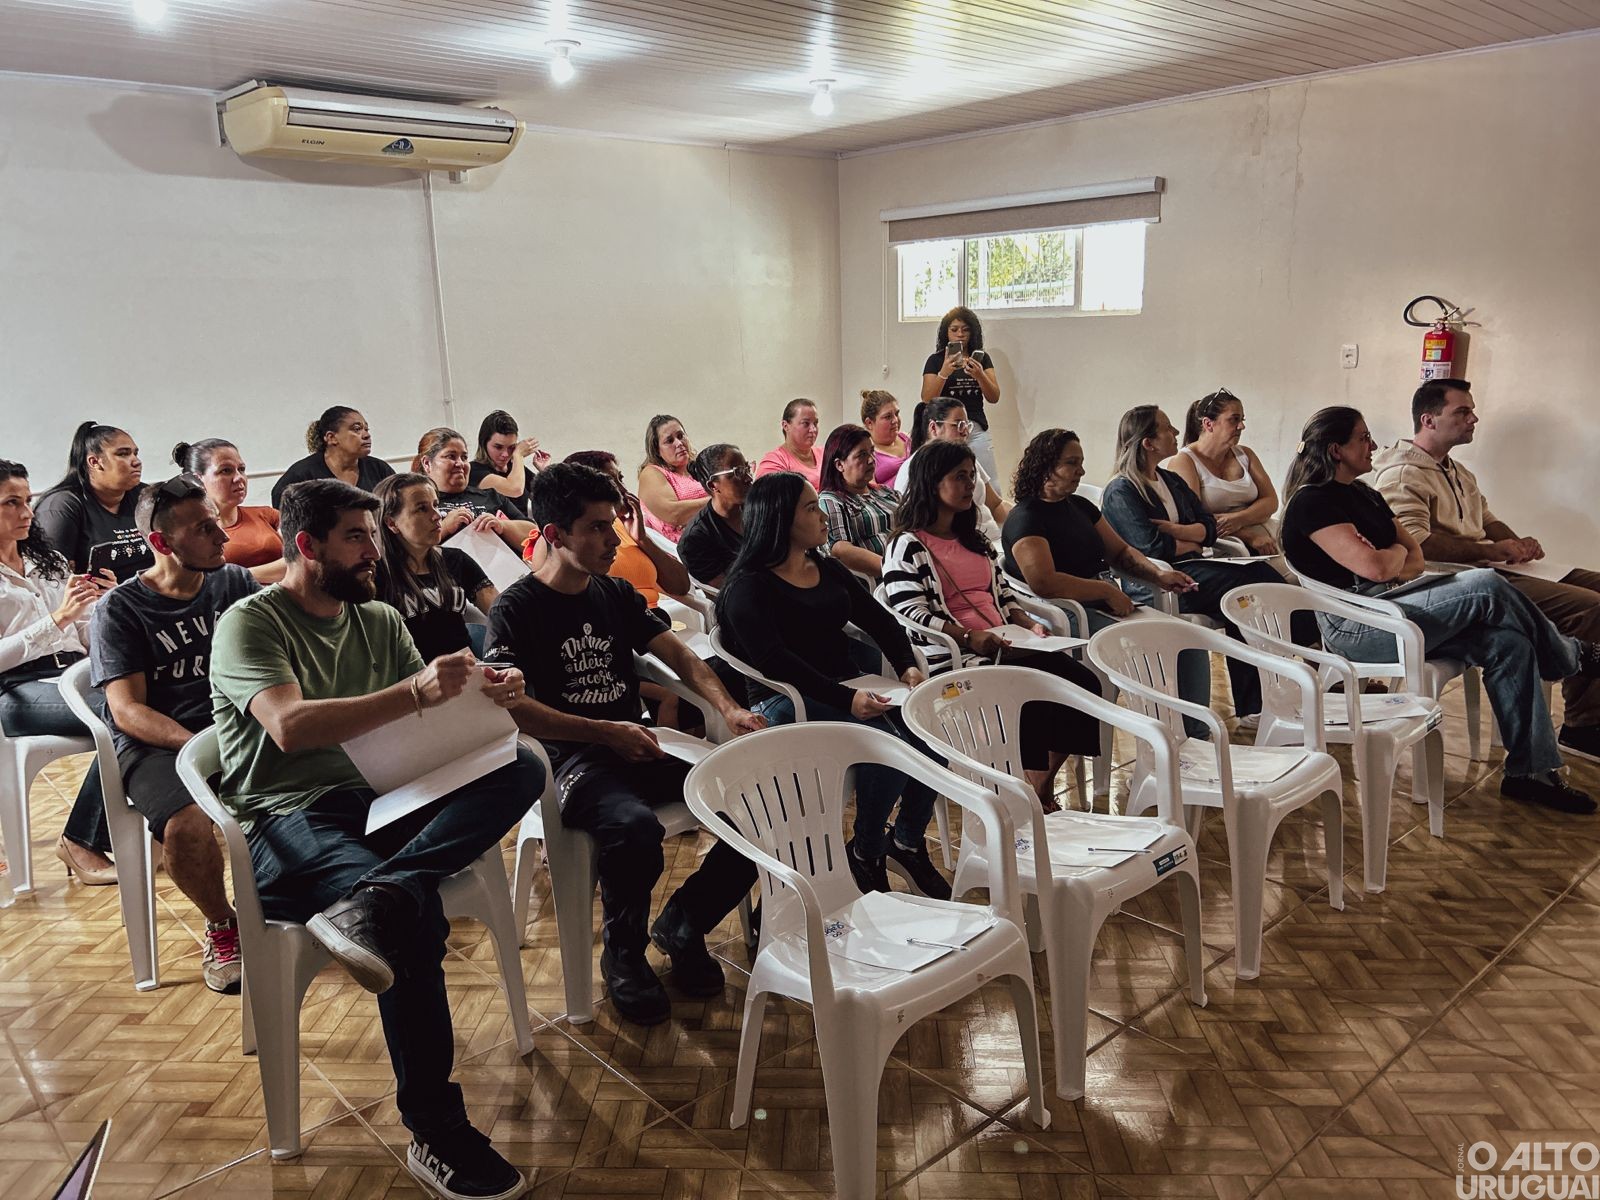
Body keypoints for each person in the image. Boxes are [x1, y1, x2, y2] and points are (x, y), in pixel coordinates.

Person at [211, 478, 540, 1197]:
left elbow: (421, 727)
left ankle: (382, 889)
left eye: (374, 535)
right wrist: (415, 692)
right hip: (287, 818)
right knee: (416, 921)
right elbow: (290, 729)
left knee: (524, 765)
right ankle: (436, 1131)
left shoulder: (379, 619)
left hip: (380, 801)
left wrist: (491, 695)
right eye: (357, 538)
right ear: (307, 546)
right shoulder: (251, 621)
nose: (373, 552)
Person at [485, 463, 766, 1027]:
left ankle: (684, 922)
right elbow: (512, 712)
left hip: (634, 743)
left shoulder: (613, 594)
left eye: (612, 524)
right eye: (596, 528)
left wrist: (729, 707)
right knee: (633, 829)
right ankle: (624, 956)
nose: (613, 540)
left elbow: (682, 655)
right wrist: (604, 731)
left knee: (756, 802)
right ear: (557, 535)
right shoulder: (515, 609)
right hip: (573, 761)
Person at [1281, 406, 1600, 814]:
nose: (1374, 445)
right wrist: (1389, 556)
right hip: (1357, 627)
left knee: (1509, 642)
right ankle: (1571, 656)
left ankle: (1530, 773)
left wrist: (1388, 554)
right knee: (1486, 583)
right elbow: (1375, 567)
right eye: (1363, 438)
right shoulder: (1313, 503)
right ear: (1336, 450)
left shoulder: (1365, 494)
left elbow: (1412, 555)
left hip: (1393, 607)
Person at [715, 472, 947, 897]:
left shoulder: (825, 568)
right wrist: (848, 698)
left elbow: (880, 621)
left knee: (932, 743)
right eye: (809, 508)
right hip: (783, 702)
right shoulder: (748, 587)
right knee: (885, 750)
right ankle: (866, 851)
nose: (822, 516)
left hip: (843, 689)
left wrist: (906, 666)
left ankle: (907, 841)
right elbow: (776, 663)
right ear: (781, 519)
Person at [89, 475, 259, 991]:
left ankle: (302, 897)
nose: (222, 537)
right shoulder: (120, 610)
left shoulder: (234, 583)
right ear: (161, 543)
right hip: (160, 744)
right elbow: (127, 711)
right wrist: (197, 749)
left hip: (234, 726)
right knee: (187, 828)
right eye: (205, 529)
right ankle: (222, 923)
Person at [1373, 378, 1600, 763]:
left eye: (1471, 410)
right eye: (1462, 411)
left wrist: (1518, 545)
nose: (1474, 418)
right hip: (1456, 582)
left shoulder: (1456, 470)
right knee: (1591, 607)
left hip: (1488, 566)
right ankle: (1582, 726)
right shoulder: (1401, 474)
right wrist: (1492, 550)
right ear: (1428, 420)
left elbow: (1487, 519)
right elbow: (1417, 543)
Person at [881, 441, 1105, 810]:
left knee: (1083, 684)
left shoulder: (973, 538)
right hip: (954, 652)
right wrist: (969, 636)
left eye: (972, 476)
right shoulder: (908, 545)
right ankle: (1028, 791)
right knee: (1029, 688)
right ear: (932, 483)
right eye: (960, 477)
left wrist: (1026, 623)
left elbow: (1002, 594)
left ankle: (1036, 784)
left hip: (1005, 641)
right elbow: (912, 613)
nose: (971, 485)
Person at [1101, 405, 1299, 728]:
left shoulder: (1168, 480)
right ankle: (1302, 652)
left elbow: (1208, 524)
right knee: (1252, 587)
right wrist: (1194, 538)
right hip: (1163, 581)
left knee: (1255, 587)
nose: (1177, 433)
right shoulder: (1121, 490)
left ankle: (1256, 702)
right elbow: (1152, 547)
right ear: (1148, 443)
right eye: (1167, 429)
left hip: (1195, 565)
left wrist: (1182, 533)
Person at [0, 459, 115, 885]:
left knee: (156, 700)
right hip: (18, 690)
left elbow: (84, 631)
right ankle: (80, 840)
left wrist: (107, 605)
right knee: (124, 713)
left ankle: (138, 827)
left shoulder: (45, 560)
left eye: (27, 500)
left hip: (75, 672)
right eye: (11, 502)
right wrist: (58, 619)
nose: (27, 512)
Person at [1003, 428, 1197, 629]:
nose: (1081, 471)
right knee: (1151, 642)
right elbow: (1044, 582)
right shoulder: (1025, 518)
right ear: (1044, 467)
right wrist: (1105, 591)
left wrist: (1158, 575)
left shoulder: (1080, 505)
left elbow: (1121, 552)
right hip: (1068, 612)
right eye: (1071, 463)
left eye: (1081, 463)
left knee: (1187, 639)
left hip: (1105, 602)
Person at [521, 451, 691, 608]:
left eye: (620, 478)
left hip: (651, 619)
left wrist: (643, 539)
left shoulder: (629, 526)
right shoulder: (559, 541)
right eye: (611, 482)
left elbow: (681, 586)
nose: (622, 489)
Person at [373, 474, 497, 662]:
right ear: (392, 523)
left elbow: (501, 614)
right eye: (421, 509)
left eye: (436, 505)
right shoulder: (374, 574)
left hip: (467, 672)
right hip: (412, 680)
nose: (437, 515)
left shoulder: (456, 560)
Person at [1163, 389, 1283, 556]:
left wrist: (1238, 519)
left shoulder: (1246, 454)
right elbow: (1195, 519)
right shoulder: (1184, 461)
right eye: (1234, 419)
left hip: (1267, 533)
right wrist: (1249, 536)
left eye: (1242, 419)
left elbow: (1271, 501)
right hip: (1226, 544)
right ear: (1208, 424)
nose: (1241, 426)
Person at [33, 421, 151, 582]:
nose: (136, 461)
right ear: (95, 462)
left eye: (135, 453)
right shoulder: (62, 506)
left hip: (149, 598)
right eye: (123, 454)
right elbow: (51, 581)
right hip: (95, 602)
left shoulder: (145, 496)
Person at [894, 398, 1008, 542]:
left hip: (993, 541)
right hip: (965, 545)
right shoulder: (915, 469)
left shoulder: (965, 459)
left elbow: (996, 505)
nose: (965, 432)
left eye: (967, 425)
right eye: (959, 425)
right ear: (934, 428)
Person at [174, 439, 285, 583]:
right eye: (225, 470)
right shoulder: (188, 532)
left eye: (242, 469)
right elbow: (204, 583)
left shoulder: (267, 515)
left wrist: (234, 577)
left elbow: (301, 563)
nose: (239, 477)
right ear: (197, 480)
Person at [412, 427, 534, 553]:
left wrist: (502, 525)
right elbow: (407, 551)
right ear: (427, 463)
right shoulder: (419, 505)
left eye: (464, 457)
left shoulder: (490, 495)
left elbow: (534, 535)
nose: (460, 463)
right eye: (451, 456)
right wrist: (445, 527)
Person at [921, 307, 1001, 484]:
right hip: (946, 429)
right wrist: (944, 372)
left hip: (976, 427)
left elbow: (994, 396)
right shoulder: (936, 360)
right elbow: (927, 398)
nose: (960, 334)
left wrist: (980, 375)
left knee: (990, 481)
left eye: (965, 330)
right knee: (949, 479)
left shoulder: (981, 359)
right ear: (946, 333)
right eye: (954, 329)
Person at [817, 424, 899, 580]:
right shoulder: (831, 500)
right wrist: (894, 570)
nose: (871, 460)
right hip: (880, 583)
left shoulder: (886, 492)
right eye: (862, 455)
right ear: (839, 465)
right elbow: (841, 550)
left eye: (872, 452)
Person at [270, 406, 395, 507]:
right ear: (331, 437)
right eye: (357, 429)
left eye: (367, 429)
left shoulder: (379, 469)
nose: (366, 435)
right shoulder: (302, 475)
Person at [678, 445, 749, 589]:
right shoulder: (695, 539)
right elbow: (730, 591)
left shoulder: (758, 509)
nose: (748, 478)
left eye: (747, 469)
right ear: (713, 485)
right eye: (738, 472)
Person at [637, 414, 708, 543]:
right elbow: (674, 513)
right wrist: (718, 501)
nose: (679, 443)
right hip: (684, 549)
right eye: (669, 441)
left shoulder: (700, 468)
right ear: (657, 450)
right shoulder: (651, 472)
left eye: (681, 436)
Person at [468, 410, 550, 520]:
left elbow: (549, 498)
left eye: (511, 448)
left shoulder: (515, 469)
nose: (505, 454)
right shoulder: (474, 470)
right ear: (484, 443)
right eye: (498, 447)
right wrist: (518, 454)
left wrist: (545, 471)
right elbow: (515, 489)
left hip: (525, 531)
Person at [754, 399, 823, 488]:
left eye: (815, 423)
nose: (813, 429)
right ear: (785, 426)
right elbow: (767, 499)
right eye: (806, 423)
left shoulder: (825, 454)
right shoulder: (775, 461)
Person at [861, 389, 912, 486]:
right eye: (888, 417)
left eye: (897, 414)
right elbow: (869, 493)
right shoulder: (866, 454)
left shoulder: (907, 438)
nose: (895, 420)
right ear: (869, 423)